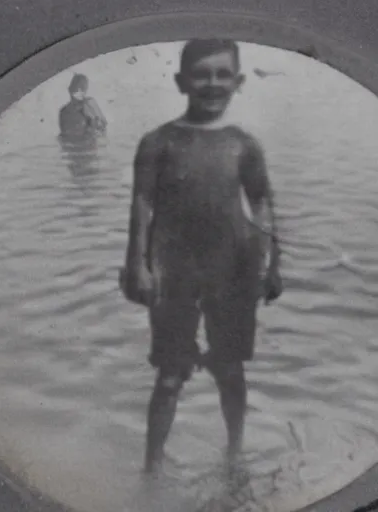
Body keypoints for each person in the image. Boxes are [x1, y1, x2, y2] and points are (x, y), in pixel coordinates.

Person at [119, 39, 283, 475]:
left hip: (234, 270)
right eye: (201, 74)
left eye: (223, 75)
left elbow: (263, 202)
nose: (213, 84)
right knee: (170, 375)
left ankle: (234, 456)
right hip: (174, 273)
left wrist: (271, 263)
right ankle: (151, 469)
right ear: (180, 81)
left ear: (239, 82)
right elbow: (142, 205)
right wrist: (136, 263)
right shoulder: (157, 142)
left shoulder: (244, 144)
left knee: (229, 368)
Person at [58, 73, 107, 139]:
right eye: (76, 90)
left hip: (78, 143)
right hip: (80, 142)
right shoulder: (64, 111)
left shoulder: (89, 104)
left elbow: (102, 126)